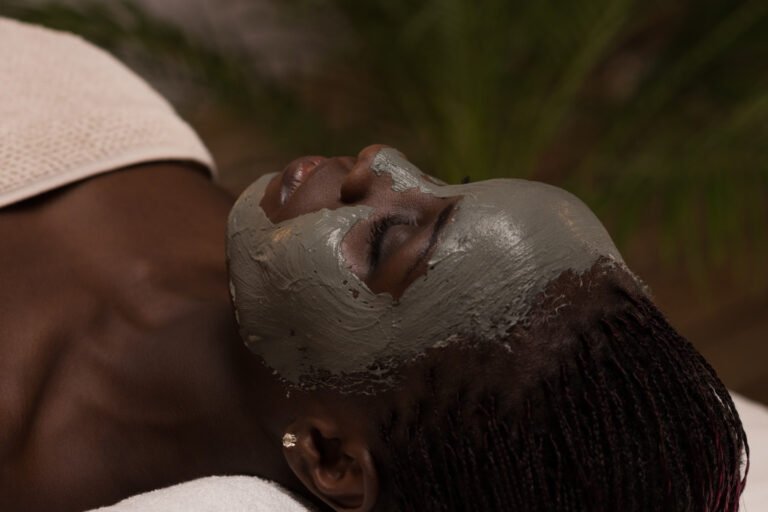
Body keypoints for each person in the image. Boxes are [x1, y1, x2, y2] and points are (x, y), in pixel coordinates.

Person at [0, 16, 751, 512]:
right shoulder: (91, 103)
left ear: (330, 459)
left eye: (386, 242)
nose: (379, 161)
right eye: (450, 180)